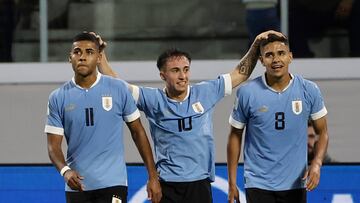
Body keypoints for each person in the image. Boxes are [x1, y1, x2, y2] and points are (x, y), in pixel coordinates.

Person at [97, 30, 284, 202]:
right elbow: (118, 86)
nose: (182, 76)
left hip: (199, 185)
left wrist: (256, 44)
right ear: (163, 75)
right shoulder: (153, 99)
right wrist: (101, 58)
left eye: (186, 69)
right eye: (175, 70)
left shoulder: (205, 92)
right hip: (167, 185)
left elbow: (240, 75)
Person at [45, 32, 162, 203]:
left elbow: (138, 132)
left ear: (99, 57)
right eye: (77, 52)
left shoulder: (118, 88)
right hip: (77, 186)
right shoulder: (58, 97)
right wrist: (65, 171)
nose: (82, 57)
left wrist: (153, 176)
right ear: (70, 58)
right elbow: (53, 145)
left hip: (113, 183)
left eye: (89, 52)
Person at [227, 33, 329, 203]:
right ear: (261, 60)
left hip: (295, 183)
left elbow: (323, 132)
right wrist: (231, 182)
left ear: (290, 57)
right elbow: (235, 135)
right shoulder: (247, 93)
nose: (276, 59)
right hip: (257, 182)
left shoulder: (309, 90)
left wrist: (317, 164)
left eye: (281, 53)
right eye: (269, 55)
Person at [289, 0, 360, 57]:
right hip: (306, 10)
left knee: (357, 7)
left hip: (338, 7)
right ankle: (303, 61)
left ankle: (357, 58)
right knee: (289, 15)